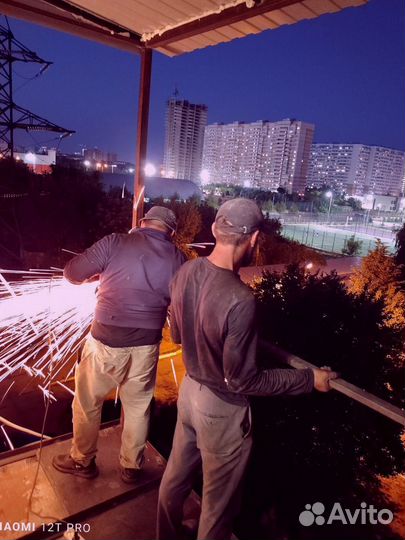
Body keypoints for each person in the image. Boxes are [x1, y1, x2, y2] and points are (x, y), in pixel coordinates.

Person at [157, 198, 338, 540]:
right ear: (254, 239)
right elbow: (241, 378)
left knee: (174, 479)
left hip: (190, 392)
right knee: (217, 506)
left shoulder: (185, 271)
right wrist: (307, 379)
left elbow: (178, 335)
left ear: (214, 229)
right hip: (221, 409)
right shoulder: (241, 300)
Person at [52, 206, 186, 482]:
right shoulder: (178, 259)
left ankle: (82, 461)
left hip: (105, 341)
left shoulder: (115, 242)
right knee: (138, 406)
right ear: (170, 232)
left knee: (88, 402)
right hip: (147, 345)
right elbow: (180, 307)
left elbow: (72, 272)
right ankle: (131, 467)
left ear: (143, 222)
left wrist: (95, 275)